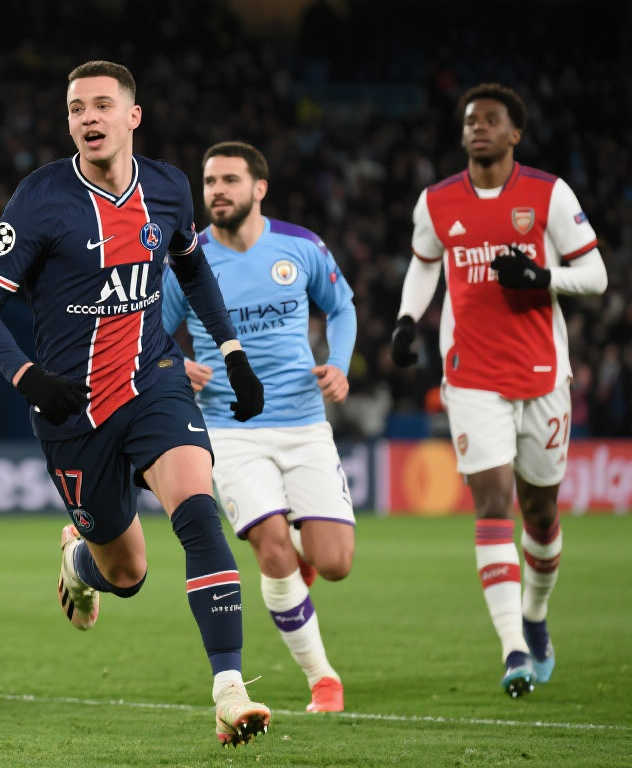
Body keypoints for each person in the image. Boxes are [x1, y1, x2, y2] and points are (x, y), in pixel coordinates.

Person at [0, 61, 270, 746]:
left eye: (102, 105)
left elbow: (192, 267)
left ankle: (228, 690)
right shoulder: (39, 199)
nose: (88, 118)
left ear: (133, 116)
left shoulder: (168, 187)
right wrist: (28, 378)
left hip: (154, 379)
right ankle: (79, 563)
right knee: (126, 574)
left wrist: (232, 351)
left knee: (199, 512)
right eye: (77, 109)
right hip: (72, 410)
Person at [390, 84, 607, 697]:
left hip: (542, 376)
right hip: (470, 377)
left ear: (515, 134)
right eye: (470, 121)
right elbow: (424, 263)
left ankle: (535, 616)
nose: (478, 128)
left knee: (540, 513)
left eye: (491, 120)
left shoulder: (549, 194)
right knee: (492, 502)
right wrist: (407, 319)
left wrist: (541, 277)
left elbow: (596, 275)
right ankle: (513, 648)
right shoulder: (437, 201)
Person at [162, 141, 357, 713]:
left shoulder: (301, 247)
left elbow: (341, 306)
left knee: (335, 562)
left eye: (229, 180)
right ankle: (323, 678)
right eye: (209, 182)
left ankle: (300, 554)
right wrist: (177, 362)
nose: (217, 191)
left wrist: (340, 365)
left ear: (259, 188)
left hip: (303, 421)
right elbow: (149, 332)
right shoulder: (188, 258)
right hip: (230, 428)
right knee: (271, 550)